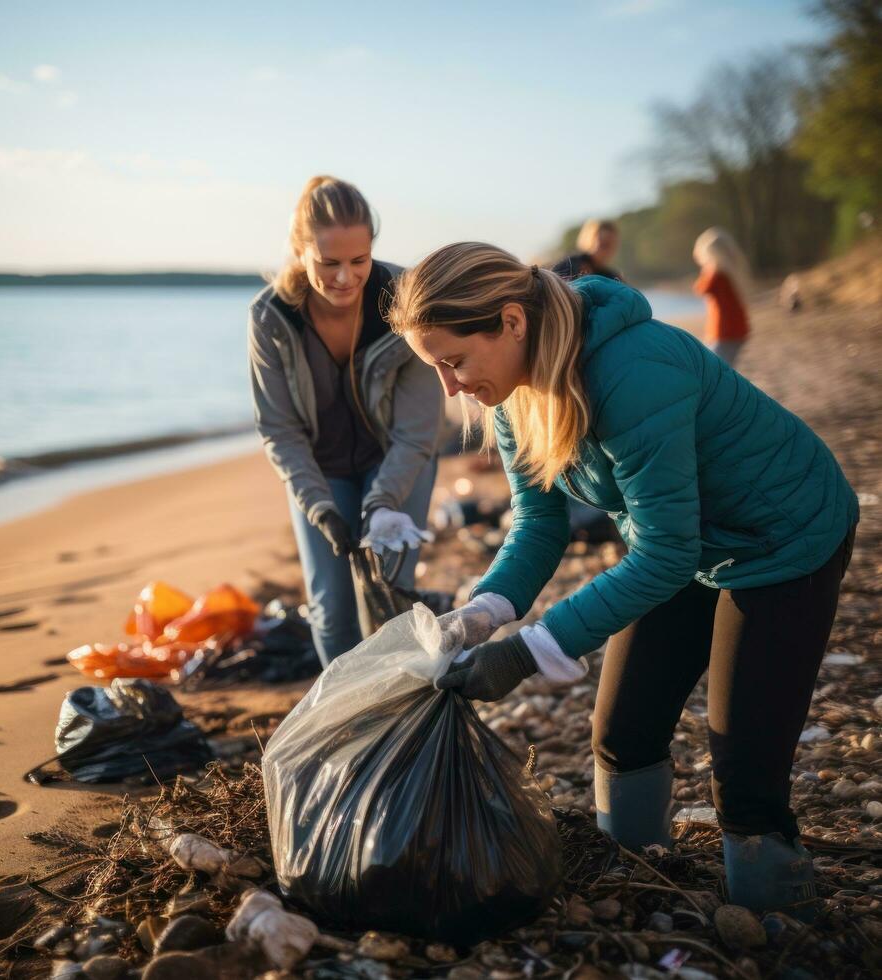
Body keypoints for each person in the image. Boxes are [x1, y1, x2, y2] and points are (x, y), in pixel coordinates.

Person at [387, 242, 858, 920]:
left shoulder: (634, 371)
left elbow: (666, 553)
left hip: (783, 540)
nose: (450, 388)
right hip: (686, 544)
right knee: (622, 733)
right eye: (436, 369)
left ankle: (779, 926)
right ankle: (638, 878)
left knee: (746, 781)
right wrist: (481, 615)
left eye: (454, 361)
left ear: (512, 323)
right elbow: (540, 526)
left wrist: (528, 653)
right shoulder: (514, 396)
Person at [248, 176, 443, 666]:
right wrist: (320, 508)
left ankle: (397, 717)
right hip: (322, 471)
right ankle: (349, 723)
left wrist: (381, 503)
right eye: (328, 262)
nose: (345, 278)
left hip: (397, 461)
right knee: (332, 614)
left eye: (359, 261)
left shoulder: (406, 300)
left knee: (390, 597)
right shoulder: (271, 317)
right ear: (299, 251)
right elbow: (279, 429)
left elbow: (418, 429)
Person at [693, 227, 751, 367]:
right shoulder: (732, 272)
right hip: (736, 329)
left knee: (715, 370)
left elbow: (700, 288)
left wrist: (706, 267)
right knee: (722, 368)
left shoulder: (716, 274)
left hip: (724, 331)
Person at [552, 218, 622, 281]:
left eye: (611, 245)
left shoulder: (611, 276)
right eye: (603, 244)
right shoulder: (571, 265)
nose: (607, 250)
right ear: (589, 240)